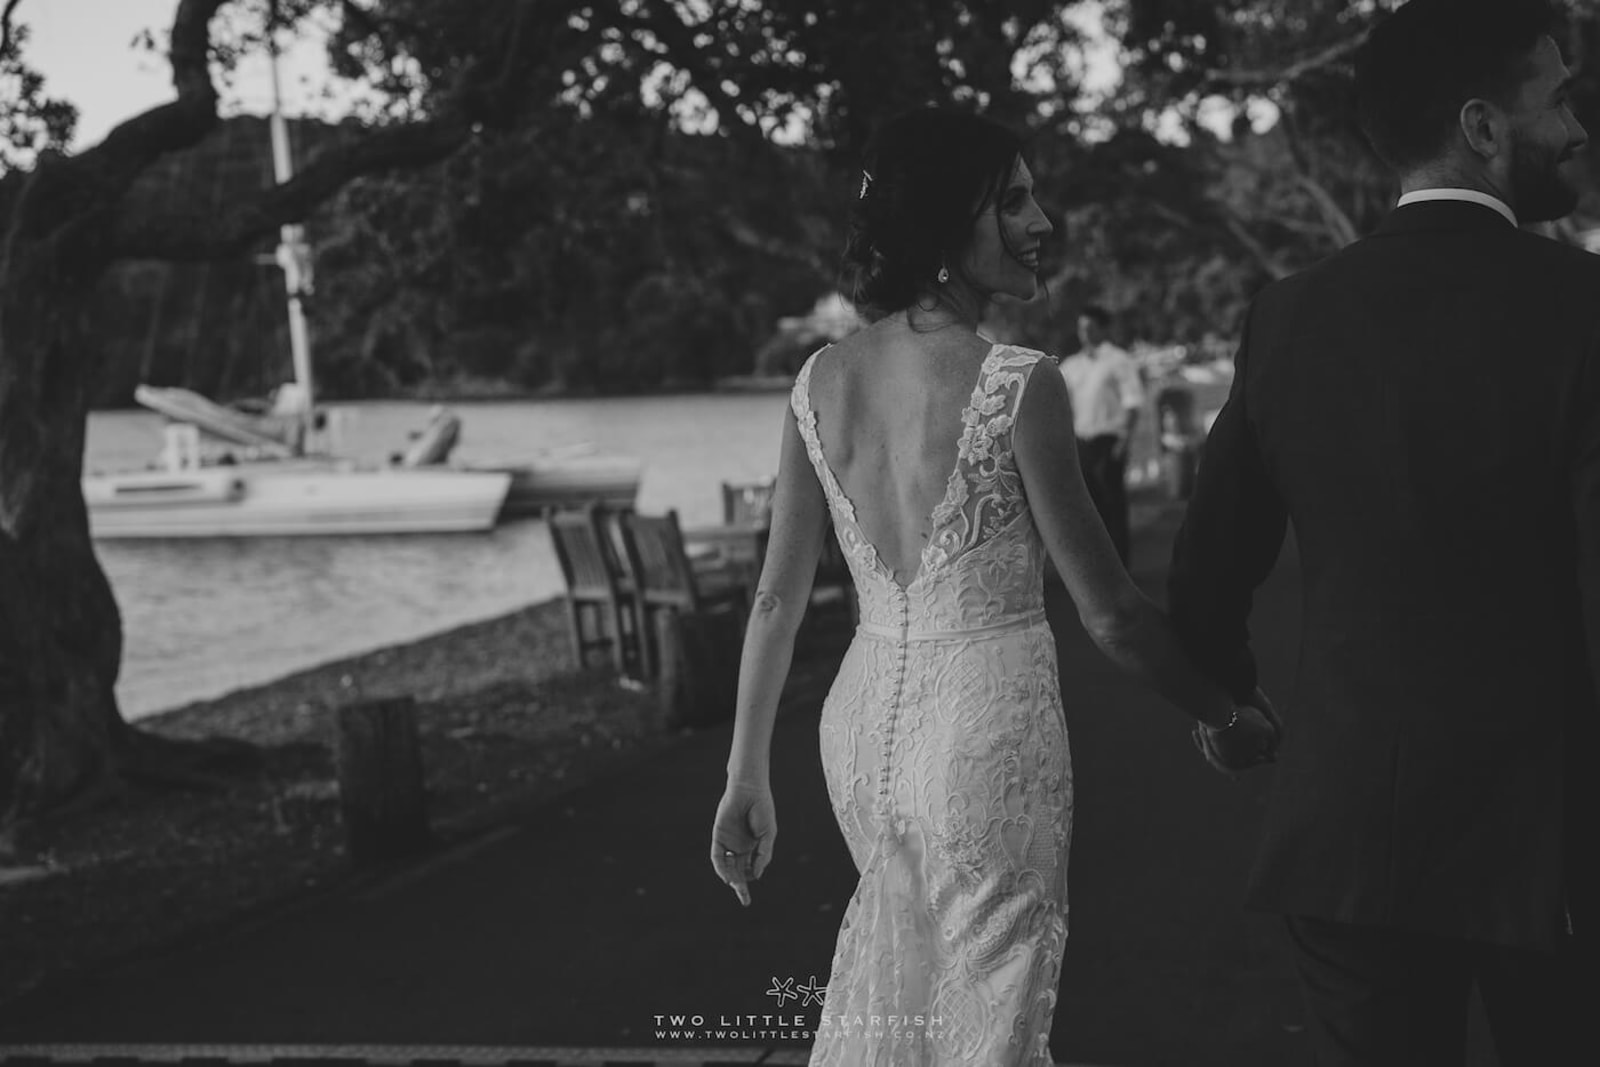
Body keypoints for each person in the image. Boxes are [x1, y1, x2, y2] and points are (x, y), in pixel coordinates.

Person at [708, 107, 1279, 1066]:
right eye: (1012, 202)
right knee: (989, 1021)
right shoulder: (1017, 382)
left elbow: (776, 597)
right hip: (986, 732)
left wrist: (744, 774)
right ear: (943, 223)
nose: (1041, 221)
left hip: (859, 732)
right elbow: (1111, 613)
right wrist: (1224, 710)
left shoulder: (818, 381)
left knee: (911, 1001)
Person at [1166, 1, 1598, 1063]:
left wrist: (1230, 699)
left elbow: (1208, 566)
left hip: (1348, 832)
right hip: (1551, 836)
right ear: (1482, 126)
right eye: (1558, 100)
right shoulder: (1583, 305)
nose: (1578, 128)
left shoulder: (1288, 314)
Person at [1058, 305, 1145, 567]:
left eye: (1091, 328)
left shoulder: (1119, 360)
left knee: (1112, 504)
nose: (1085, 333)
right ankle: (1096, 567)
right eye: (1081, 328)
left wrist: (1124, 440)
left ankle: (1120, 567)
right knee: (1088, 507)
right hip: (1081, 442)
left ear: (1103, 329)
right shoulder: (1072, 365)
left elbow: (1133, 402)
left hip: (1109, 440)